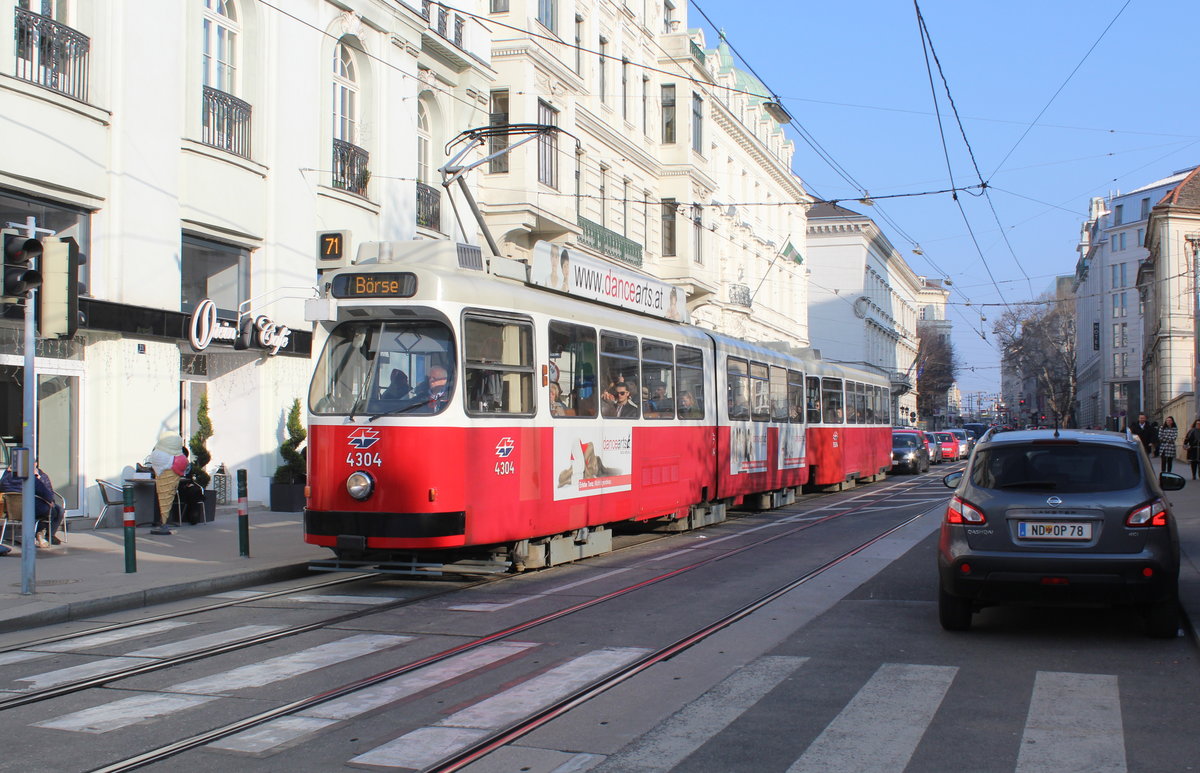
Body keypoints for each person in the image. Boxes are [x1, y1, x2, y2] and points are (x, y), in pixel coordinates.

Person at [0, 461, 65, 549]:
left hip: (13, 511)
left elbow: (1, 485)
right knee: (52, 511)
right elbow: (47, 494)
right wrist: (37, 478)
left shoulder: (6, 479)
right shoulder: (31, 478)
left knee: (54, 510)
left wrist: (7, 473)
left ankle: (43, 534)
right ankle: (41, 533)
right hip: (31, 510)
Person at [148, 432, 187, 535]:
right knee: (166, 498)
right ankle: (163, 522)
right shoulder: (177, 456)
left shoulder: (158, 453)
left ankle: (163, 522)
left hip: (164, 471)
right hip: (170, 468)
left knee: (164, 497)